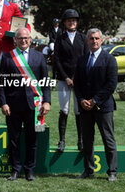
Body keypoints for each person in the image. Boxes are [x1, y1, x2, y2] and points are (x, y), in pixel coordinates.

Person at [0, 27, 51, 181]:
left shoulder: (39, 57)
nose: (24, 40)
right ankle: (15, 169)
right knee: (14, 140)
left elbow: (45, 82)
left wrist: (46, 101)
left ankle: (29, 170)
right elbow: (0, 83)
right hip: (13, 106)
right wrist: (3, 103)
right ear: (15, 40)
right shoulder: (7, 58)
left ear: (31, 39)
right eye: (20, 38)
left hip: (35, 107)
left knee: (32, 139)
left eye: (26, 38)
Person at [74, 28, 118, 182]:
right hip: (85, 107)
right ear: (87, 41)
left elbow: (111, 84)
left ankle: (112, 171)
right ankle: (88, 170)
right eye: (91, 38)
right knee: (87, 140)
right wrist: (81, 100)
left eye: (97, 38)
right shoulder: (82, 60)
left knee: (108, 139)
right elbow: (77, 84)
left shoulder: (110, 59)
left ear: (102, 40)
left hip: (103, 107)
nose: (94, 41)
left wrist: (95, 100)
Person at [54, 9, 89, 152]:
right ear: (65, 23)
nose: (72, 22)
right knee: (64, 110)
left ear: (77, 22)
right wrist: (66, 77)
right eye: (69, 20)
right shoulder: (60, 38)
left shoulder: (83, 38)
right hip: (64, 79)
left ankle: (81, 140)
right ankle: (62, 140)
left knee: (78, 110)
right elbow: (56, 60)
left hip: (79, 80)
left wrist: (77, 77)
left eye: (74, 20)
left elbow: (86, 58)